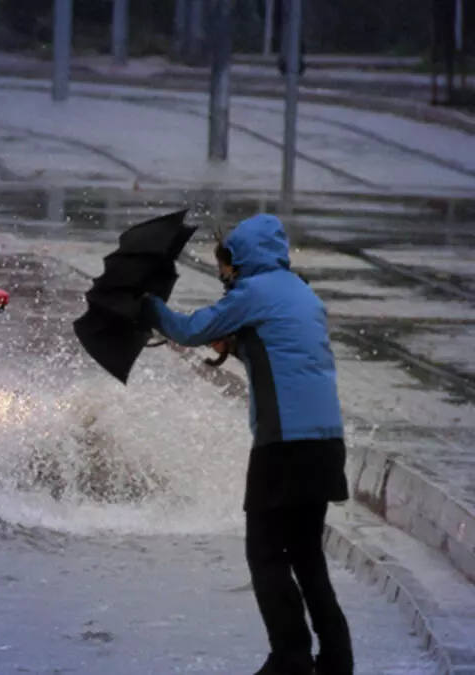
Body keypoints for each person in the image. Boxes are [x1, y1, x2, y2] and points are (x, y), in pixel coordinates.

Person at [142, 214, 354, 675]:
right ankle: (337, 661)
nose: (223, 278)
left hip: (284, 447)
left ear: (240, 260)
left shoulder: (252, 292)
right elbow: (286, 349)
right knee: (306, 555)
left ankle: (291, 657)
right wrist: (238, 347)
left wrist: (147, 306)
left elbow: (187, 329)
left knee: (264, 553)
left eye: (225, 269)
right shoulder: (301, 292)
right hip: (325, 445)